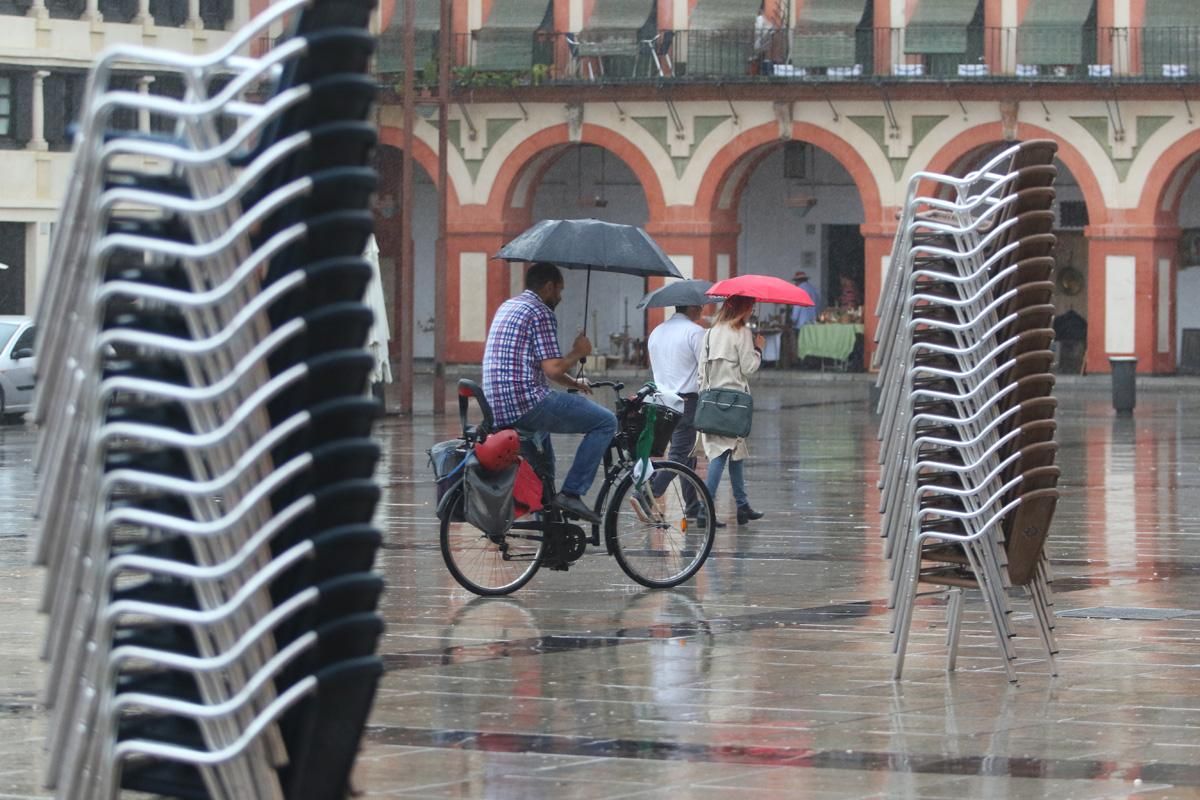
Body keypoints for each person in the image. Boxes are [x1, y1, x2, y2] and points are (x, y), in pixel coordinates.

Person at [481, 262, 617, 524]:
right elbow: (552, 368)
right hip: (527, 402)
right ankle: (572, 493)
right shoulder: (540, 312)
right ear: (548, 286)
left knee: (543, 468)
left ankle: (548, 528)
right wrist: (578, 352)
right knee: (606, 421)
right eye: (559, 290)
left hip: (498, 405)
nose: (560, 297)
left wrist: (574, 383)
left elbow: (543, 368)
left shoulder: (508, 306)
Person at [695, 294, 764, 527]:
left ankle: (742, 506)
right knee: (722, 453)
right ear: (743, 308)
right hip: (734, 400)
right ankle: (705, 508)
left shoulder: (710, 333)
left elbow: (702, 370)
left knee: (734, 451)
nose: (752, 311)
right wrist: (758, 350)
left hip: (712, 400)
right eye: (751, 307)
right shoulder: (742, 333)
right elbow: (749, 367)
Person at [646, 304, 706, 516]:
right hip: (686, 401)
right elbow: (705, 368)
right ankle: (649, 493)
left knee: (686, 454)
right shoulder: (695, 332)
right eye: (699, 306)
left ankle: (692, 506)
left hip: (661, 400)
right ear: (691, 307)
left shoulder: (657, 331)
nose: (702, 309)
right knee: (679, 455)